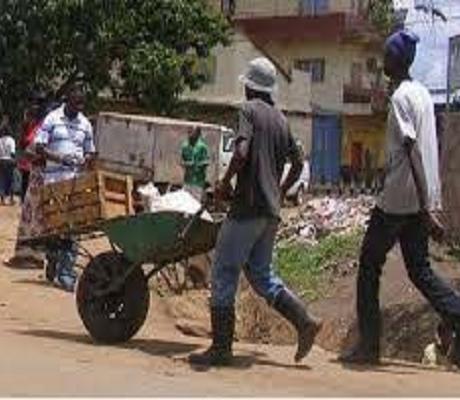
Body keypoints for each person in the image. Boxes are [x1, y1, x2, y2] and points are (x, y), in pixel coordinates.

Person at [189, 57, 322, 367]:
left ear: (249, 87)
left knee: (224, 270)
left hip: (247, 207)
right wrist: (278, 188)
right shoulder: (281, 119)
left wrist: (223, 184)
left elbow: (241, 152)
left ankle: (221, 348)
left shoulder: (248, 111)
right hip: (271, 212)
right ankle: (305, 322)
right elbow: (299, 162)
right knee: (261, 275)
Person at [339, 30, 460, 367]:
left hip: (400, 198)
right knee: (419, 269)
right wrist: (428, 204)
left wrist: (424, 208)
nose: (383, 62)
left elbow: (412, 152)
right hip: (418, 197)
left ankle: (369, 345)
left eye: (386, 56)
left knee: (368, 265)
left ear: (396, 60)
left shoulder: (400, 98)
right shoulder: (421, 93)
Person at [33, 84, 96, 291]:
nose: (79, 107)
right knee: (54, 227)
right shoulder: (52, 118)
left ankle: (67, 273)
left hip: (76, 183)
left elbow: (90, 152)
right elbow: (39, 147)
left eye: (81, 104)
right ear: (67, 101)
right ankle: (53, 259)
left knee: (73, 228)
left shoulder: (85, 124)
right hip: (53, 182)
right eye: (76, 103)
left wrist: (85, 161)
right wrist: (59, 158)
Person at [181, 126, 209, 200]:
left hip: (198, 181)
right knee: (185, 202)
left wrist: (196, 165)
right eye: (188, 132)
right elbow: (181, 160)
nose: (189, 134)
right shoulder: (185, 146)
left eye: (192, 132)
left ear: (197, 134)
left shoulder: (202, 147)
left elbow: (206, 162)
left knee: (195, 204)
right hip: (187, 180)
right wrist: (185, 164)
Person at [0, 122, 16, 205]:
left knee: (2, 180)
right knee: (11, 180)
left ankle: (2, 200)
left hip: (1, 161)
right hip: (9, 161)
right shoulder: (11, 140)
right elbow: (13, 153)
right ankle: (11, 199)